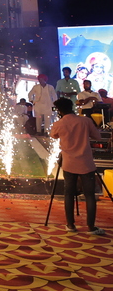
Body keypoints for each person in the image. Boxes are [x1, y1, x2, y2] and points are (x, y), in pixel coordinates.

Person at [49, 97, 105, 235]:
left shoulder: (59, 123)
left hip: (69, 163)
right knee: (89, 195)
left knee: (69, 193)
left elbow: (53, 135)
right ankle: (91, 227)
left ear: (60, 111)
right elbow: (97, 136)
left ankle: (70, 225)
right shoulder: (85, 121)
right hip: (86, 163)